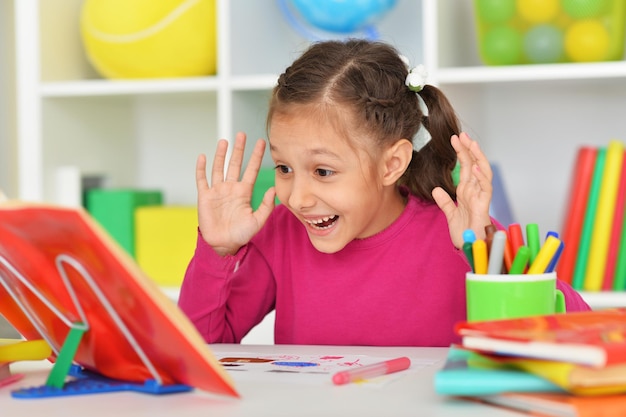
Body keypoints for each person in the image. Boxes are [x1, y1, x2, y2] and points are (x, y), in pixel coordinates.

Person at [178, 39, 590, 347]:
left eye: (323, 171)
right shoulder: (282, 234)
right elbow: (200, 351)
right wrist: (217, 254)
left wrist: (485, 257)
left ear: (392, 164)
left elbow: (580, 335)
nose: (298, 197)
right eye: (284, 168)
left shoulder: (463, 235)